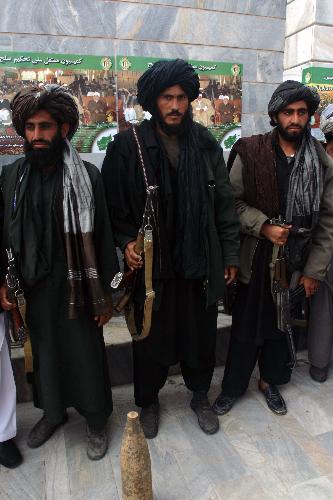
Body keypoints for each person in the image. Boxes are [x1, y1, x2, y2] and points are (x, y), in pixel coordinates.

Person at [102, 59, 239, 438]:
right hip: (153, 267)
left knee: (201, 335)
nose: (176, 105)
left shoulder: (205, 143)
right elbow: (113, 209)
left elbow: (224, 204)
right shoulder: (127, 146)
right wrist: (126, 241)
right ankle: (147, 401)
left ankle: (199, 396)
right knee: (149, 340)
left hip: (198, 263)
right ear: (152, 102)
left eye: (181, 97)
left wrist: (228, 255)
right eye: (167, 98)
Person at [0, 85, 119, 460]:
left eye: (45, 127)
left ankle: (96, 420)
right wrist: (5, 282)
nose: (37, 136)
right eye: (31, 127)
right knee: (46, 355)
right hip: (35, 289)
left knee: (84, 354)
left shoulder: (87, 176)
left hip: (79, 287)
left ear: (63, 129)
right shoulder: (12, 176)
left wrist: (106, 297)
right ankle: (53, 414)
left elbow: (102, 239)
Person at [213, 81, 333, 416]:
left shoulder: (321, 162)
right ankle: (233, 387)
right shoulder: (251, 152)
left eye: (302, 112)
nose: (295, 119)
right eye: (288, 112)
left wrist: (313, 272)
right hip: (257, 256)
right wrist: (264, 226)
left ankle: (270, 381)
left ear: (310, 118)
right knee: (246, 326)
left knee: (281, 326)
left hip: (296, 260)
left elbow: (327, 221)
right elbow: (229, 203)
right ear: (275, 115)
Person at [307, 103, 333, 382]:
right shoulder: (318, 164)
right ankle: (319, 361)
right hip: (323, 246)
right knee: (323, 304)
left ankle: (320, 361)